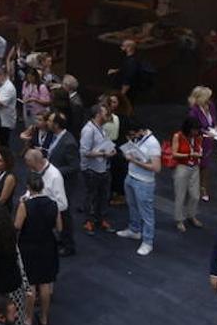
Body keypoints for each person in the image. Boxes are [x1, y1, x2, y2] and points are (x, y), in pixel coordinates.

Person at [15, 173, 60, 325]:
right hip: (47, 245)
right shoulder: (53, 204)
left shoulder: (25, 205)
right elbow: (59, 227)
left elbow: (17, 226)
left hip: (29, 247)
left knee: (31, 285)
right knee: (45, 283)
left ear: (28, 187)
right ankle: (44, 317)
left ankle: (28, 318)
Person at [116, 125, 162, 255]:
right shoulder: (138, 139)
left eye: (134, 134)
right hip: (131, 177)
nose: (132, 137)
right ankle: (134, 230)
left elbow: (156, 167)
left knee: (146, 213)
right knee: (132, 206)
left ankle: (148, 242)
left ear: (141, 131)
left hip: (144, 182)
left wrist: (134, 161)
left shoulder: (153, 144)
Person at [42, 113, 78, 255]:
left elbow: (74, 166)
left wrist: (53, 170)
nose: (47, 122)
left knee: (65, 214)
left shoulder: (69, 142)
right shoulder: (55, 137)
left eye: (50, 121)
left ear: (56, 124)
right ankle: (61, 238)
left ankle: (69, 245)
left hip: (65, 183)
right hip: (55, 181)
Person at [78, 104, 115, 234]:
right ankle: (88, 221)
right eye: (105, 113)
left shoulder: (102, 129)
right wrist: (104, 154)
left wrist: (109, 150)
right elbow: (84, 152)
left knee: (103, 196)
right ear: (98, 114)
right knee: (91, 195)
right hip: (91, 169)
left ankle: (100, 218)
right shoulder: (89, 130)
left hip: (103, 167)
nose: (108, 115)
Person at [171, 116, 205, 232]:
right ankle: (179, 219)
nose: (195, 132)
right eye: (193, 130)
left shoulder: (198, 137)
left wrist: (198, 154)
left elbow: (200, 150)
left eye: (197, 130)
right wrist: (189, 155)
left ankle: (191, 215)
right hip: (182, 167)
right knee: (180, 194)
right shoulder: (178, 136)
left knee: (195, 195)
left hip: (194, 167)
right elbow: (174, 154)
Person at [188, 85, 217, 200]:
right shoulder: (194, 111)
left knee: (206, 165)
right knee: (196, 165)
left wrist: (215, 127)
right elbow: (193, 128)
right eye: (206, 97)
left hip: (208, 141)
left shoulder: (210, 105)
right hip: (198, 140)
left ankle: (203, 188)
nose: (209, 99)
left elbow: (214, 118)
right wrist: (205, 132)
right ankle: (193, 187)